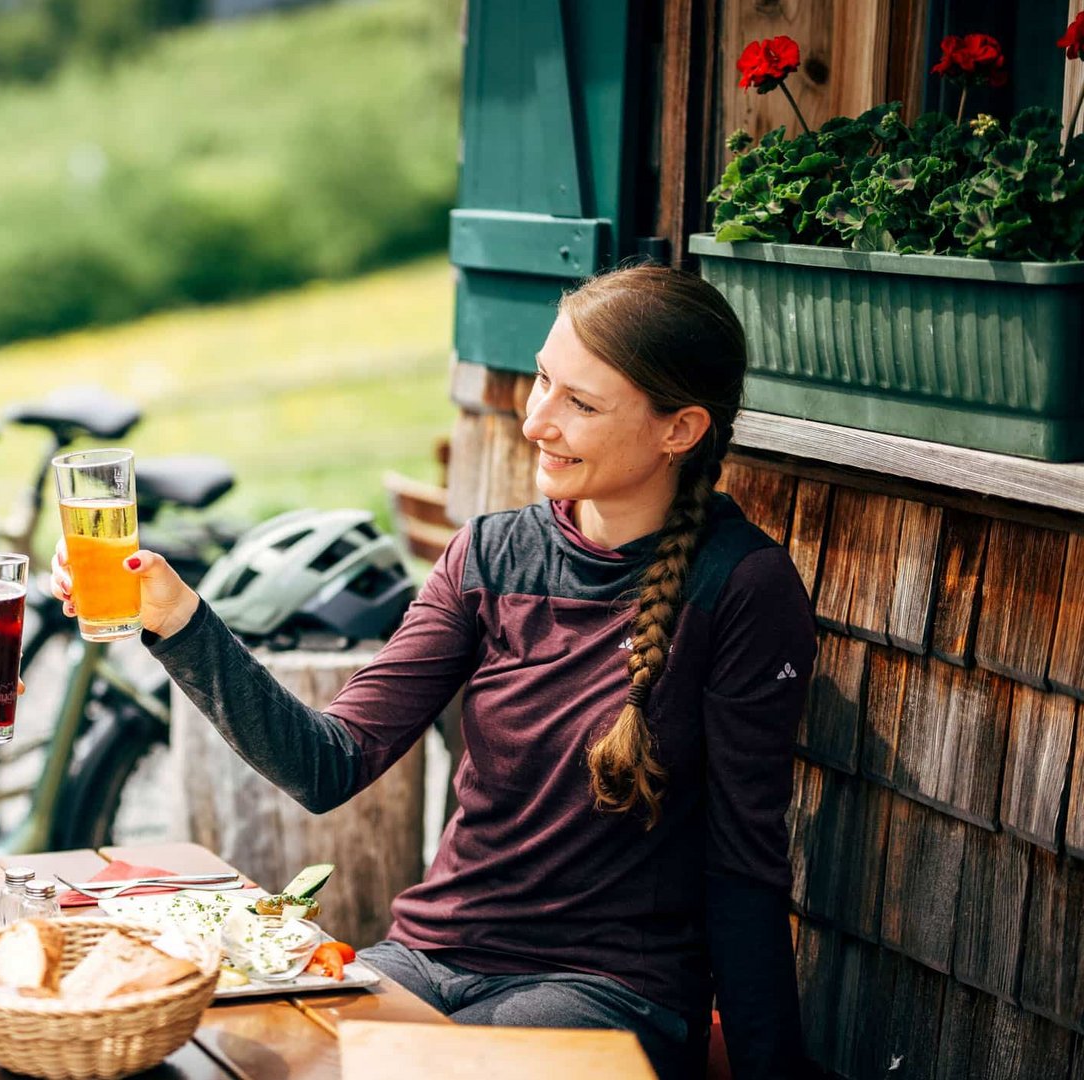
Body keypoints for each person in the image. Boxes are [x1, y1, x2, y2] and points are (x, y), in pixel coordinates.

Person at [54, 265, 814, 1079]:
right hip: (427, 959)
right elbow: (328, 761)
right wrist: (178, 621)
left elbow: (744, 867)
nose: (536, 422)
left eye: (580, 404)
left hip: (604, 990)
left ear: (681, 429)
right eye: (543, 381)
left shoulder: (742, 588)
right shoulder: (489, 553)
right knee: (228, 1061)